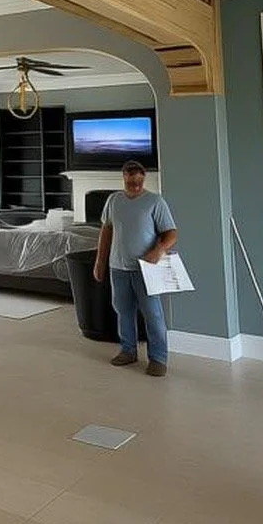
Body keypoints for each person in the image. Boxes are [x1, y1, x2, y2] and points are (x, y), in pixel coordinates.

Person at [92, 160, 177, 376]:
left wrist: (158, 250)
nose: (135, 187)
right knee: (123, 311)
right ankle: (128, 350)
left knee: (153, 314)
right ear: (124, 178)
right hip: (118, 268)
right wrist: (99, 262)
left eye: (139, 183)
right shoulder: (113, 201)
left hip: (145, 269)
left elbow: (171, 233)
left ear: (143, 179)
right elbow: (106, 232)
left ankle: (158, 358)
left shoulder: (155, 202)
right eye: (131, 183)